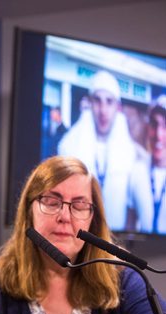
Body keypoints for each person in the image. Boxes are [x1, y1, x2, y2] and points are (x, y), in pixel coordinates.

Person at [0, 156, 166, 314]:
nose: (64, 217)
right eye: (52, 202)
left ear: (92, 219)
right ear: (29, 212)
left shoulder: (123, 278)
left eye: (79, 205)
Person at [58, 70, 140, 231]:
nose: (103, 110)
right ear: (90, 102)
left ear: (118, 107)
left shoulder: (129, 152)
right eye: (98, 101)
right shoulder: (68, 146)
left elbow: (132, 210)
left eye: (109, 101)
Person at [127, 95, 166, 233]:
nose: (159, 134)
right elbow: (129, 226)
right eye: (155, 124)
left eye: (165, 126)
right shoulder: (137, 170)